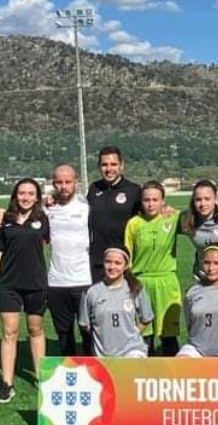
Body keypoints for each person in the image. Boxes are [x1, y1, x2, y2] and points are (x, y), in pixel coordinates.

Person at [0, 178, 49, 404]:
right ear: (15, 195)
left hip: (36, 284)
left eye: (31, 193)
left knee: (35, 330)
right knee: (9, 333)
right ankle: (7, 384)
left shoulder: (43, 218)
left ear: (37, 197)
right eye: (22, 193)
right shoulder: (4, 220)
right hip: (8, 285)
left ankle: (42, 378)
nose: (26, 197)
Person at [124, 181, 181, 357]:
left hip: (167, 282)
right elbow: (127, 257)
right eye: (146, 199)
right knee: (144, 335)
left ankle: (171, 376)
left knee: (168, 335)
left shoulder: (173, 218)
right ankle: (144, 378)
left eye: (155, 199)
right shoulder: (134, 224)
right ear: (141, 201)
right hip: (141, 284)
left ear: (163, 201)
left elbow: (195, 220)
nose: (151, 204)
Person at [45, 165, 93, 356]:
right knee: (64, 333)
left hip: (84, 281)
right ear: (53, 183)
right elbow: (20, 209)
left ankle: (94, 373)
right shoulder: (46, 207)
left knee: (88, 331)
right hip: (56, 282)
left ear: (76, 182)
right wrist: (0, 211)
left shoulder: (87, 207)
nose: (63, 186)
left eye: (68, 181)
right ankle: (71, 373)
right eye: (59, 182)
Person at [79, 247, 153, 358]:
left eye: (118, 263)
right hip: (104, 355)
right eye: (108, 262)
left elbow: (146, 318)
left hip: (132, 350)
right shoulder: (91, 292)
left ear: (125, 266)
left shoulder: (135, 288)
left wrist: (133, 334)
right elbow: (85, 324)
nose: (112, 267)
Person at [87, 146, 142, 281]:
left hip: (122, 261)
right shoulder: (94, 188)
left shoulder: (134, 190)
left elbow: (149, 214)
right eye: (104, 164)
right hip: (98, 262)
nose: (109, 169)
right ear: (99, 167)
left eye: (113, 164)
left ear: (121, 166)